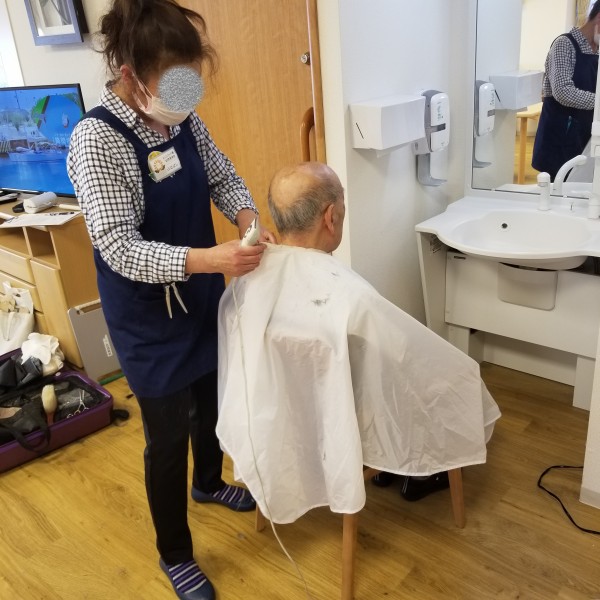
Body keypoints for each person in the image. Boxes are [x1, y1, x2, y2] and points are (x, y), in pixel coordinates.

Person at [67, 1, 276, 598]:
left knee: (209, 399)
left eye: (191, 79)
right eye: (173, 81)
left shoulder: (180, 117)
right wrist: (210, 259)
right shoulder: (97, 140)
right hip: (147, 319)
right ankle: (175, 552)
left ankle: (208, 481)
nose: (186, 94)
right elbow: (118, 247)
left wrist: (245, 215)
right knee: (165, 439)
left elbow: (221, 174)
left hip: (200, 295)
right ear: (130, 74)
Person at [216, 162, 501, 525]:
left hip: (286, 413)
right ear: (331, 217)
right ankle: (410, 465)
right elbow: (407, 356)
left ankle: (388, 462)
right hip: (339, 412)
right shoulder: (352, 298)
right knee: (461, 373)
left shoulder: (248, 280)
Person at [531, 1, 600, 180]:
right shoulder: (564, 44)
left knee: (581, 181)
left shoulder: (597, 49)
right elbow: (563, 92)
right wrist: (599, 101)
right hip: (561, 132)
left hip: (585, 131)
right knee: (559, 183)